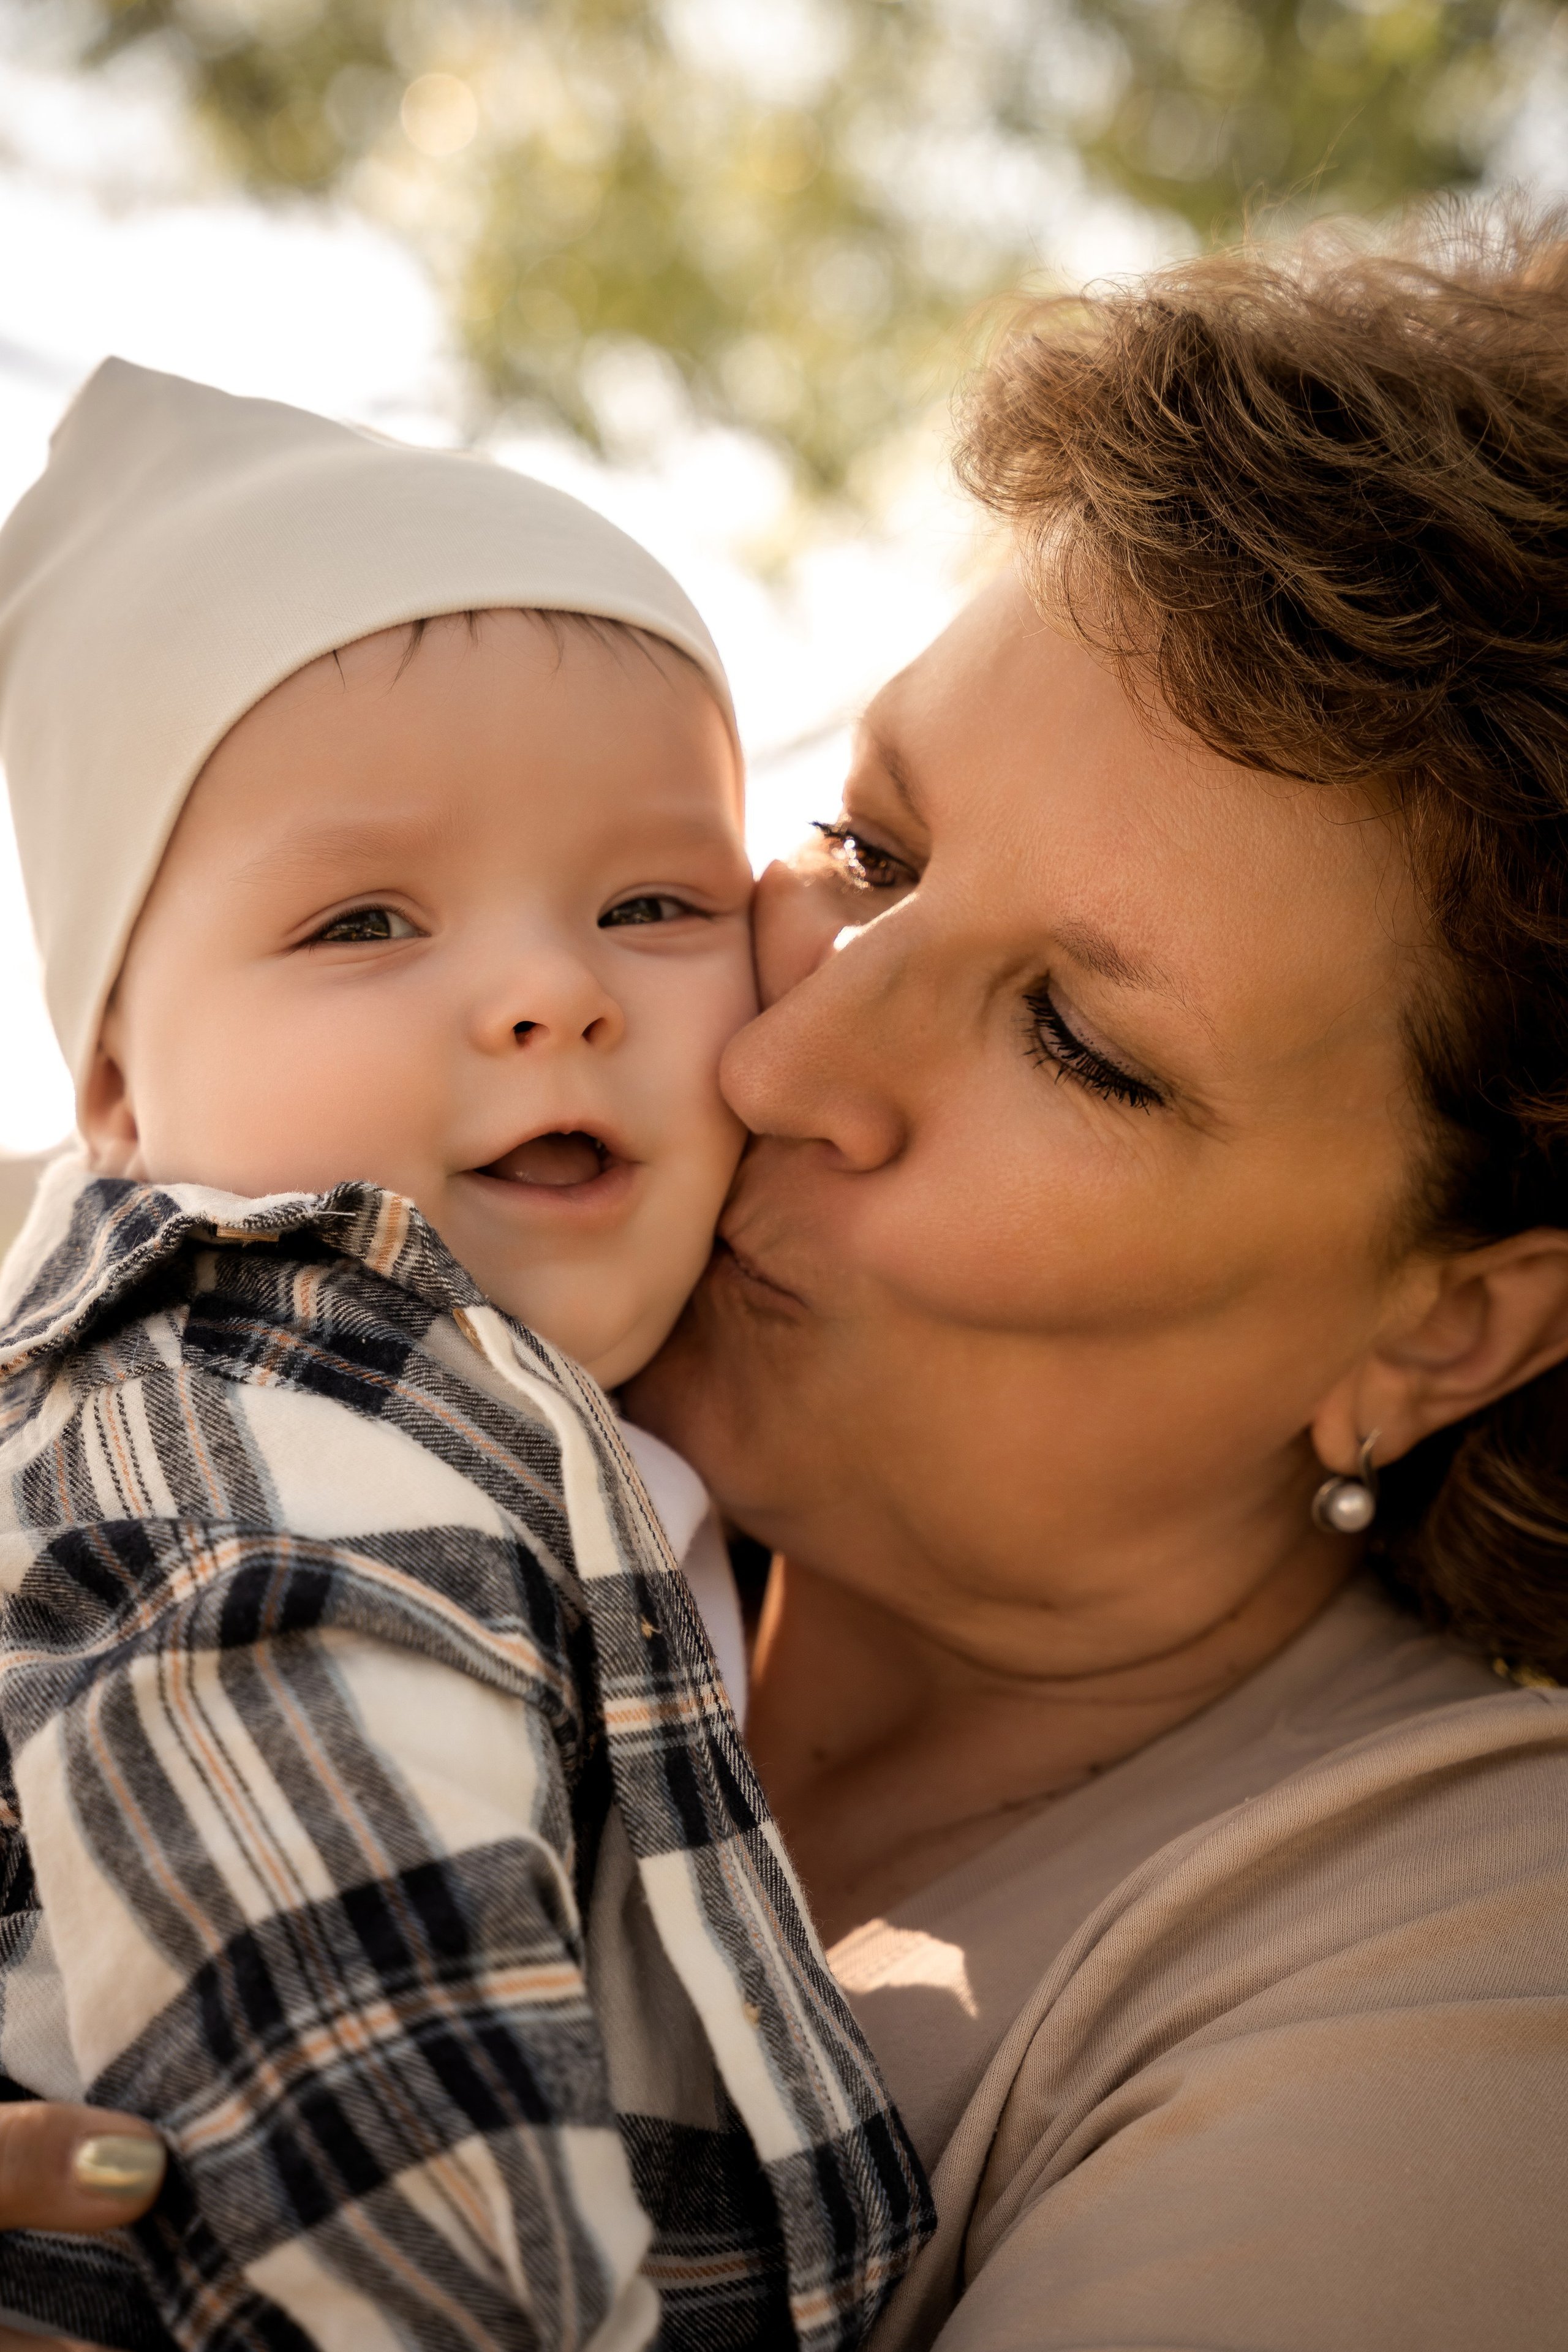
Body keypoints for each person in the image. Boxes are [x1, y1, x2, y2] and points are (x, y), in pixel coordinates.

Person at [10, 205, 1568, 2348]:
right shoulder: (242, 1374)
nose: (771, 1046)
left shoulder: (1474, 1977)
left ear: (1449, 1318)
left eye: (1082, 1046)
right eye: (874, 850)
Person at [0, 363, 929, 2351]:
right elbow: (381, 2181)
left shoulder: (535, 1434)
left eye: (653, 899)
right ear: (115, 1090)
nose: (545, 992)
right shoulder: (253, 1444)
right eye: (363, 920)